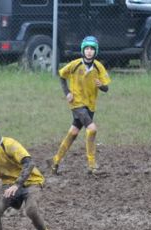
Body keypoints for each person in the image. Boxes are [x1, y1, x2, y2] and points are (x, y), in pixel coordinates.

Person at [47, 36, 111, 176]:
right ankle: (92, 165)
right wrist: (67, 93)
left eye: (92, 49)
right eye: (86, 49)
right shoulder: (75, 64)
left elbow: (106, 88)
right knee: (92, 129)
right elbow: (62, 76)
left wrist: (102, 86)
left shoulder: (98, 67)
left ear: (96, 51)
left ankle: (55, 161)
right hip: (77, 103)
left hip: (90, 105)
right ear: (83, 50)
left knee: (74, 132)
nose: (89, 52)